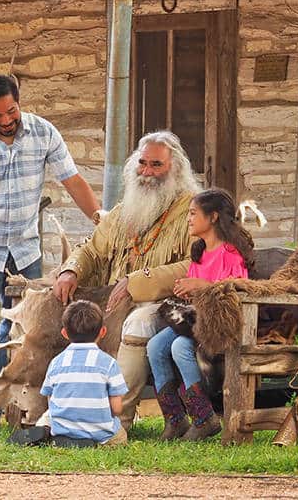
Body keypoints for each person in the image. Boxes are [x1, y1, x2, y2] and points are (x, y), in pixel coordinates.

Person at [0, 74, 101, 380]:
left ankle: (15, 392)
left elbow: (73, 180)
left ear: (19, 102)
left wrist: (99, 218)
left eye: (11, 111)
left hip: (26, 251)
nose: (6, 120)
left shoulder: (44, 133)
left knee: (25, 325)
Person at [52, 130, 200, 430]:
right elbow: (92, 249)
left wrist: (138, 281)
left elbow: (196, 265)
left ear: (176, 168)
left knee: (137, 323)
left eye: (156, 165)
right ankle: (63, 411)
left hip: (170, 304)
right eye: (142, 164)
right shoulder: (125, 209)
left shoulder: (194, 209)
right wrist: (71, 270)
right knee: (66, 311)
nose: (147, 172)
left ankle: (118, 420)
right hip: (115, 301)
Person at [145, 188, 253, 441]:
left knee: (180, 346)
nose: (189, 219)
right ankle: (175, 419)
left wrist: (200, 287)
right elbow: (198, 294)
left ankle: (204, 418)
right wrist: (187, 290)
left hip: (218, 326)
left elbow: (238, 292)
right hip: (194, 321)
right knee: (154, 346)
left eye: (193, 213)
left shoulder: (231, 254)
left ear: (213, 216)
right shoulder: (200, 253)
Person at [39, 300, 128, 447]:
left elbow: (51, 400)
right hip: (102, 435)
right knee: (120, 435)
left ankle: (52, 435)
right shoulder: (109, 363)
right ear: (103, 332)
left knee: (45, 419)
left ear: (64, 333)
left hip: (63, 430)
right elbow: (117, 408)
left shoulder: (56, 362)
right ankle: (93, 441)